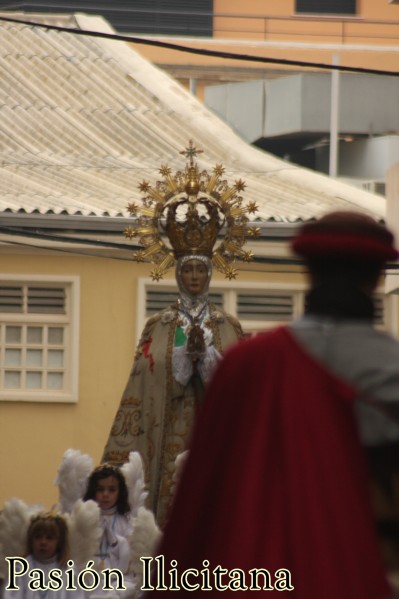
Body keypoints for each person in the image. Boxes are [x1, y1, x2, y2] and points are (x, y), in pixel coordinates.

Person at [146, 211, 399, 598]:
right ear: (379, 276)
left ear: (308, 270)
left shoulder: (248, 365)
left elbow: (198, 504)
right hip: (359, 575)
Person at [102, 142, 254, 526]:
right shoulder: (161, 324)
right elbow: (147, 379)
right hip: (167, 427)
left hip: (214, 428)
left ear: (210, 273)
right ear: (177, 273)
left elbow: (236, 382)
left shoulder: (226, 325)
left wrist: (209, 359)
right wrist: (186, 357)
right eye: (187, 270)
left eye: (201, 271)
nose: (194, 277)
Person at [3, 513, 84, 599]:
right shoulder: (21, 568)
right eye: (38, 537)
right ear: (31, 541)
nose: (43, 542)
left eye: (49, 538)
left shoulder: (68, 570)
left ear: (59, 542)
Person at [83, 463, 135, 595]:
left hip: (119, 576)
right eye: (100, 489)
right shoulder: (85, 517)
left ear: (120, 492)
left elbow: (129, 555)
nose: (105, 494)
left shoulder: (126, 520)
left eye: (111, 490)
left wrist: (117, 541)